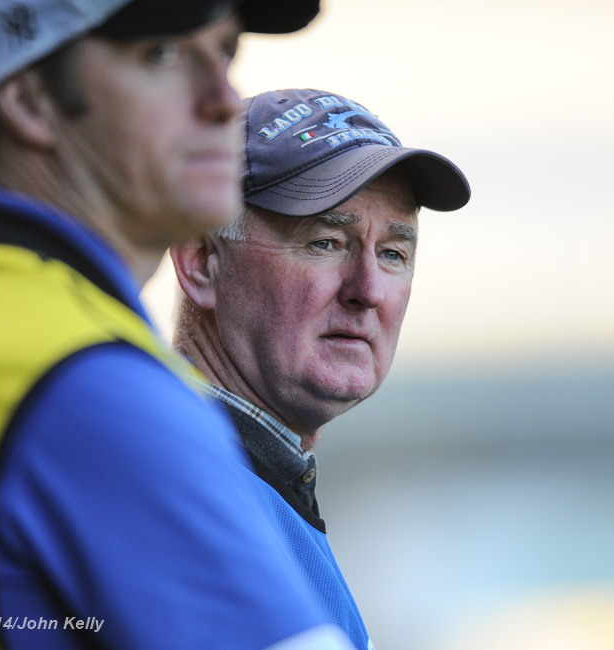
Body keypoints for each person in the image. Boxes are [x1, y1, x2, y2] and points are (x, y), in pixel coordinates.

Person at [0, 2, 355, 649]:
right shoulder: (86, 382)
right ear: (30, 101)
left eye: (224, 53)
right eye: (161, 54)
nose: (224, 101)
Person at [171, 87, 471, 649]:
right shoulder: (176, 489)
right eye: (326, 242)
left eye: (393, 254)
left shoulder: (251, 481)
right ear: (201, 263)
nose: (369, 291)